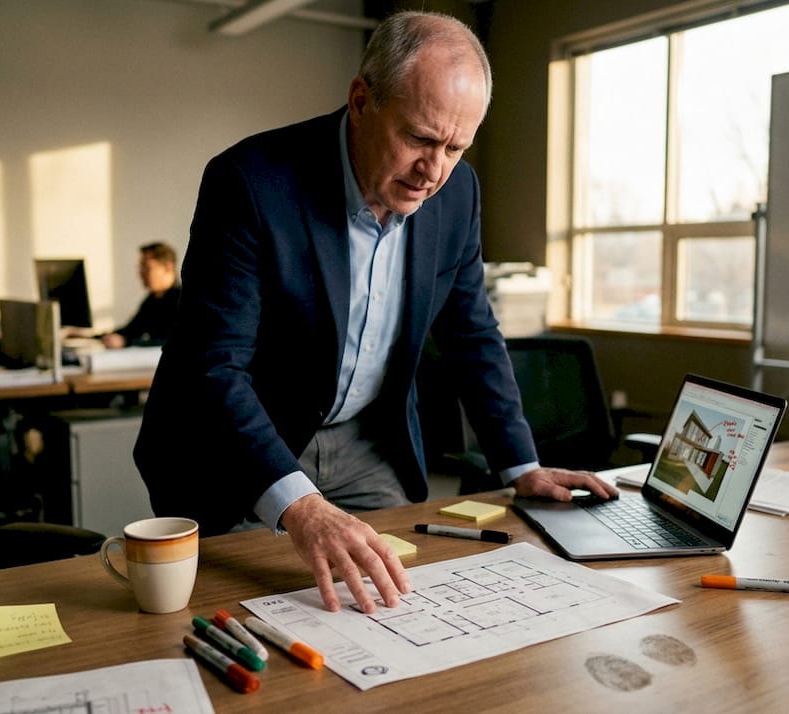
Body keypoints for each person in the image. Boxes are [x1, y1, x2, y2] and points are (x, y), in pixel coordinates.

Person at [134, 10, 617, 614]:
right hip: (243, 451)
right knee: (254, 619)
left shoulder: (458, 193)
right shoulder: (251, 183)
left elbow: (472, 335)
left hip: (367, 445)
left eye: (455, 147)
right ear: (362, 100)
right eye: (419, 139)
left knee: (394, 609)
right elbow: (214, 367)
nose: (434, 171)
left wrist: (522, 465)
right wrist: (303, 507)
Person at [100, 242, 182, 348]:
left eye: (146, 267)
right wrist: (92, 335)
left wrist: (126, 342)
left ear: (167, 267)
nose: (141, 273)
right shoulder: (152, 300)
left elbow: (176, 342)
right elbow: (131, 330)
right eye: (140, 268)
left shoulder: (185, 300)